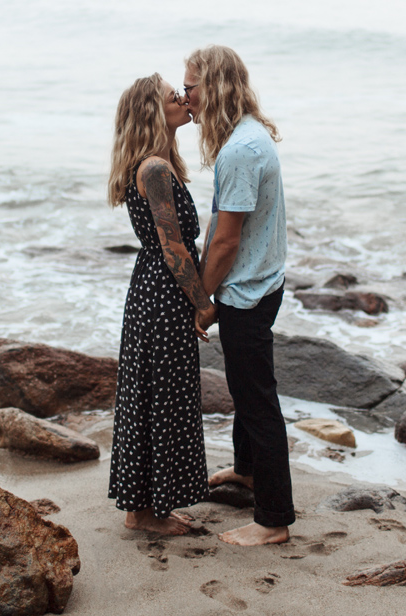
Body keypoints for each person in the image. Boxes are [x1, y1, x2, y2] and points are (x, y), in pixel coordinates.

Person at [184, 45, 293, 546]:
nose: (186, 97)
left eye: (190, 87)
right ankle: (248, 472)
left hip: (247, 291)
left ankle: (273, 521)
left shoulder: (240, 151)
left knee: (255, 401)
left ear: (214, 87)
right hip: (260, 281)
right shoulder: (247, 137)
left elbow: (226, 240)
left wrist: (200, 299)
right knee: (249, 392)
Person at [106, 73, 218, 535]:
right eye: (174, 96)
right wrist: (204, 302)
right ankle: (151, 515)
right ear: (154, 111)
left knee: (151, 393)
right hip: (163, 293)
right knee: (164, 395)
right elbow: (174, 248)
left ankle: (142, 508)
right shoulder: (154, 168)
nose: (182, 100)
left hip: (150, 290)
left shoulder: (158, 164)